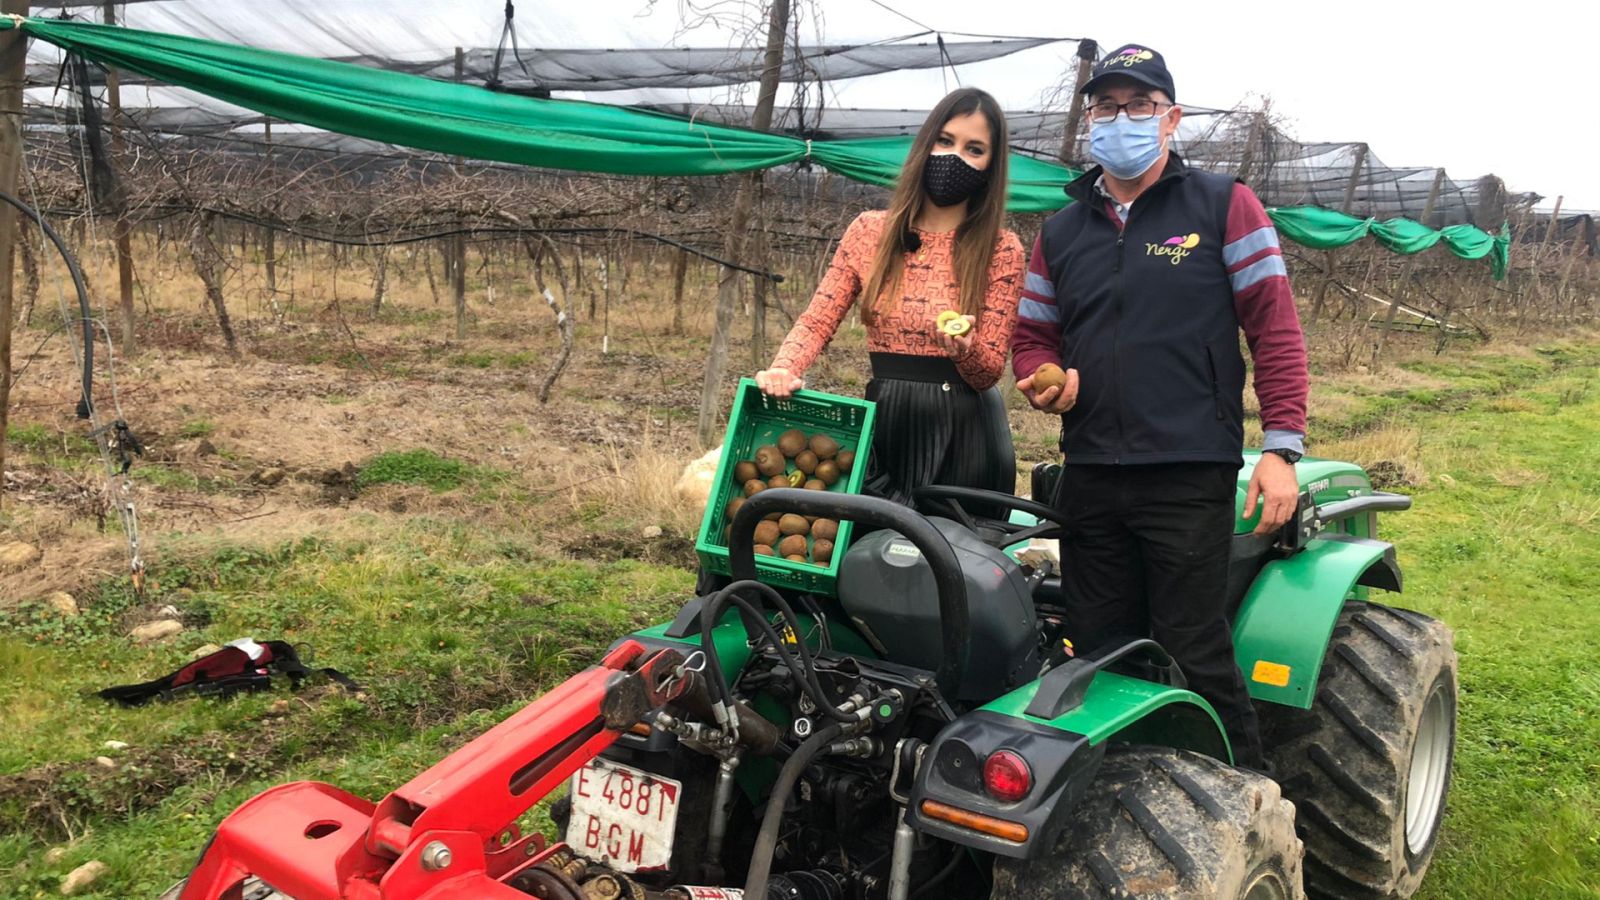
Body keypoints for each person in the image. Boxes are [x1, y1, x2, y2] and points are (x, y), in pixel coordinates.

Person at [1009, 45, 1308, 769]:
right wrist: (1041, 374)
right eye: (1106, 107)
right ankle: (1122, 789)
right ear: (1089, 122)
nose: (1121, 120)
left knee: (1193, 647)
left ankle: (1249, 797)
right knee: (1099, 651)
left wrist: (1281, 447)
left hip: (1187, 470)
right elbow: (1031, 335)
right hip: (1090, 471)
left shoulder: (1222, 204)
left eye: (1138, 106)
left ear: (1170, 119)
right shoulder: (1062, 229)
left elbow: (1274, 326)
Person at [756, 87, 1025, 507]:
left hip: (965, 432)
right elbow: (818, 318)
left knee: (957, 558)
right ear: (925, 144)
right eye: (945, 140)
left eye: (974, 149)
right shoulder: (870, 232)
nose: (955, 157)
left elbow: (988, 372)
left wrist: (965, 351)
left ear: (991, 166)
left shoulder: (1001, 249)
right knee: (875, 555)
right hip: (888, 418)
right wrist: (784, 367)